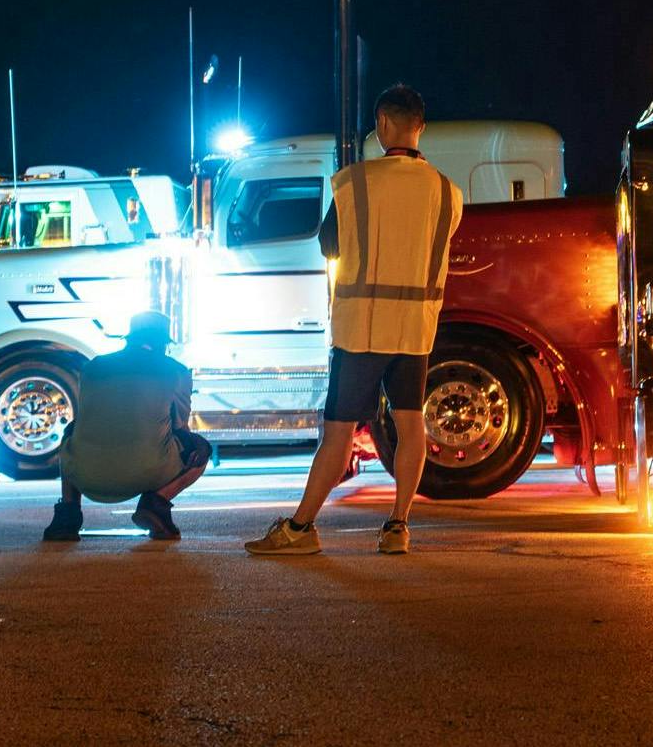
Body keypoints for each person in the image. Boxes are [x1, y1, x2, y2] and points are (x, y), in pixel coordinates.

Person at [247, 84, 463, 557]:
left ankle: (301, 529)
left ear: (382, 125)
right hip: (416, 328)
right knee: (410, 426)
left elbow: (329, 244)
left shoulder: (354, 182)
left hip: (362, 326)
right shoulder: (449, 192)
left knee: (340, 431)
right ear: (420, 127)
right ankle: (398, 526)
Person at [42, 310, 212, 543]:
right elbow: (180, 425)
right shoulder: (176, 371)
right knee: (200, 448)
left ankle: (68, 516)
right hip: (148, 472)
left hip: (84, 475)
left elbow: (86, 418)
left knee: (70, 433)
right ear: (163, 343)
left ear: (130, 338)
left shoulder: (93, 367)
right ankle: (156, 504)